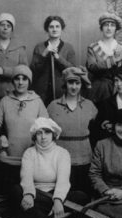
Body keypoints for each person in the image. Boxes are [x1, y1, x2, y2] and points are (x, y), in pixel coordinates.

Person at [10, 117, 89, 218]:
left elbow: (63, 181)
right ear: (34, 136)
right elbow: (26, 178)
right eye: (39, 133)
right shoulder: (29, 153)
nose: (43, 137)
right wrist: (29, 194)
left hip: (54, 195)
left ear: (53, 135)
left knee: (81, 196)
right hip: (36, 195)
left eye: (47, 132)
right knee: (16, 191)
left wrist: (58, 200)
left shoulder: (62, 153)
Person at [0, 65, 48, 192]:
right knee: (12, 193)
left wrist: (40, 150)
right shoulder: (5, 101)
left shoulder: (37, 102)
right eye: (17, 78)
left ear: (29, 82)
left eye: (24, 79)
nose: (20, 82)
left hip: (31, 158)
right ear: (12, 81)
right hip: (9, 159)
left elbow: (46, 128)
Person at [47, 67, 97, 195]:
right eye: (70, 82)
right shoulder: (53, 106)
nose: (74, 87)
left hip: (84, 159)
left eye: (77, 83)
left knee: (82, 196)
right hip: (60, 159)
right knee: (63, 195)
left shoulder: (89, 105)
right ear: (65, 84)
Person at [30, 16, 76, 105]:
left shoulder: (68, 48)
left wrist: (58, 58)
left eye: (57, 26)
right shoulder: (39, 47)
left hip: (62, 92)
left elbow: (73, 70)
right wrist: (44, 54)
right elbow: (33, 71)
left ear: (62, 29)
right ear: (47, 29)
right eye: (51, 27)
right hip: (41, 93)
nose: (54, 29)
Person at [86, 12, 122, 104]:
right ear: (101, 28)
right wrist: (113, 60)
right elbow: (92, 67)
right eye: (106, 25)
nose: (109, 28)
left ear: (116, 29)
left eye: (112, 25)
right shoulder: (93, 47)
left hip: (120, 87)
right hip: (100, 89)